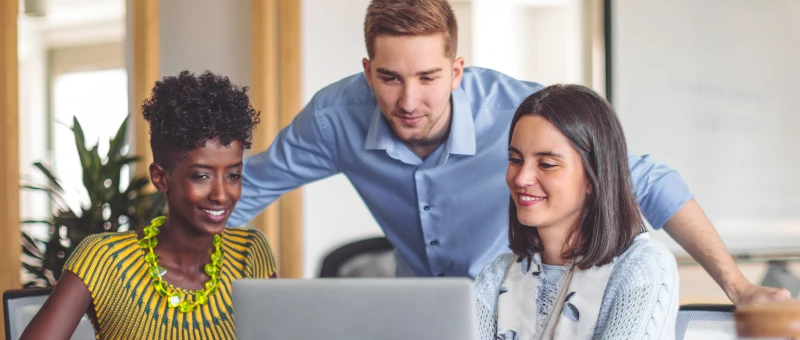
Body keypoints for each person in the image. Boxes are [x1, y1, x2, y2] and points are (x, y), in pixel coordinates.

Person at [229, 0, 790, 305]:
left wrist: (738, 289)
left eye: (427, 77)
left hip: (517, 303)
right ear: (366, 71)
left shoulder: (520, 112)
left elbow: (646, 180)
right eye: (389, 78)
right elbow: (245, 189)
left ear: (456, 70)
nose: (408, 101)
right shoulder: (334, 119)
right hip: (419, 312)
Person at [21, 70, 277, 340]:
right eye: (201, 176)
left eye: (233, 175)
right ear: (160, 178)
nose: (222, 194)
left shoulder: (251, 254)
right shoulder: (103, 261)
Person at [474, 84, 678, 340]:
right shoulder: (495, 277)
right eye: (515, 160)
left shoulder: (642, 267)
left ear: (593, 178)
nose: (521, 178)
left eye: (547, 164)